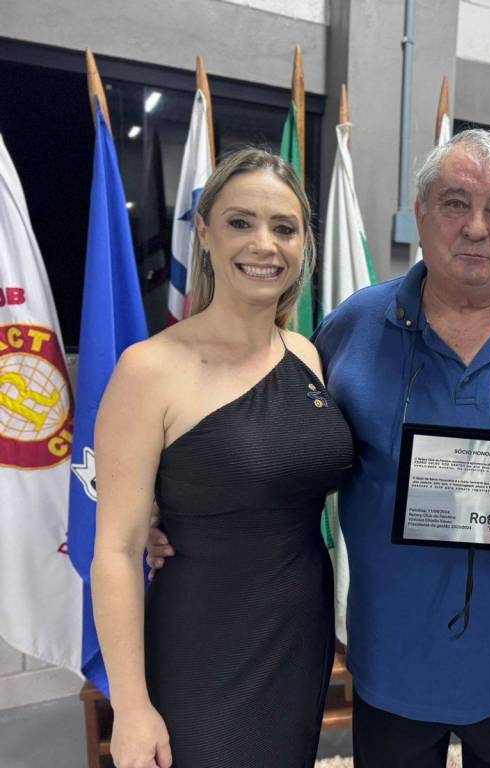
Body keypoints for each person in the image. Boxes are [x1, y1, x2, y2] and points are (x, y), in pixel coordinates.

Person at [149, 128, 490, 766]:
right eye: (455, 203)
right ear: (422, 214)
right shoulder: (351, 329)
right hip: (390, 662)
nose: (477, 227)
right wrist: (169, 506)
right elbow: (271, 442)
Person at [92, 148, 353, 768]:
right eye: (241, 222)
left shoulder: (308, 355)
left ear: (304, 245)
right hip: (202, 645)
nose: (264, 244)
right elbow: (117, 552)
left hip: (299, 632)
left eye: (284, 228)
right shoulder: (148, 370)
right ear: (205, 233)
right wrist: (131, 708)